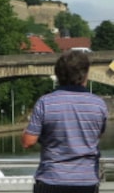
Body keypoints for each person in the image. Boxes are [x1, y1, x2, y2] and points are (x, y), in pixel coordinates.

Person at [22, 50, 107, 193]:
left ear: (58, 75)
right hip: (86, 182)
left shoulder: (45, 102)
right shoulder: (98, 105)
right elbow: (96, 136)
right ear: (85, 75)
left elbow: (28, 142)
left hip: (51, 180)